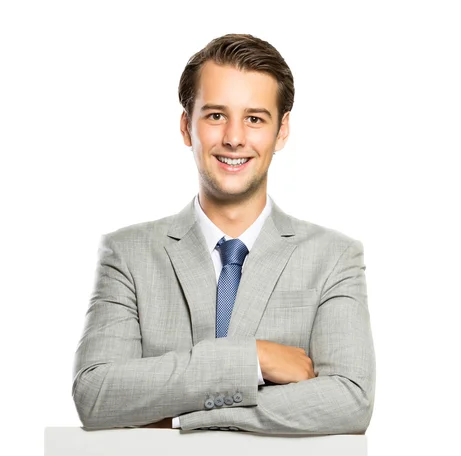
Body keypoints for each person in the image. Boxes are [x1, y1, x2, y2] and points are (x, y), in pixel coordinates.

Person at [72, 33, 376, 434]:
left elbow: (350, 400)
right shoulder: (127, 254)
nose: (234, 137)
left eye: (254, 118)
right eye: (216, 115)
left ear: (281, 131)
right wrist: (251, 360)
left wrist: (181, 417)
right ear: (187, 126)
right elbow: (96, 395)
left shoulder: (334, 257)